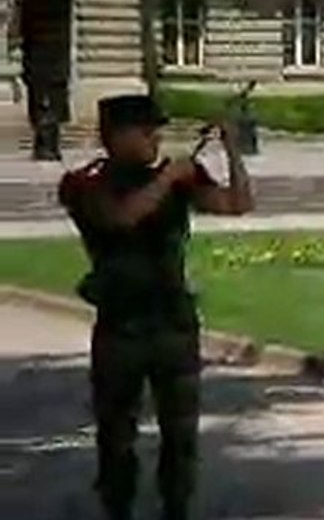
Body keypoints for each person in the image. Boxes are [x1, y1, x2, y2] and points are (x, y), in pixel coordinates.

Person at [58, 94, 253, 520]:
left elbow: (237, 204)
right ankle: (117, 505)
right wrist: (167, 180)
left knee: (180, 434)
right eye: (146, 130)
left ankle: (176, 506)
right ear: (116, 135)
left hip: (173, 323)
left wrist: (232, 148)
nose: (155, 138)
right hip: (121, 326)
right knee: (116, 433)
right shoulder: (85, 182)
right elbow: (121, 217)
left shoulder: (176, 178)